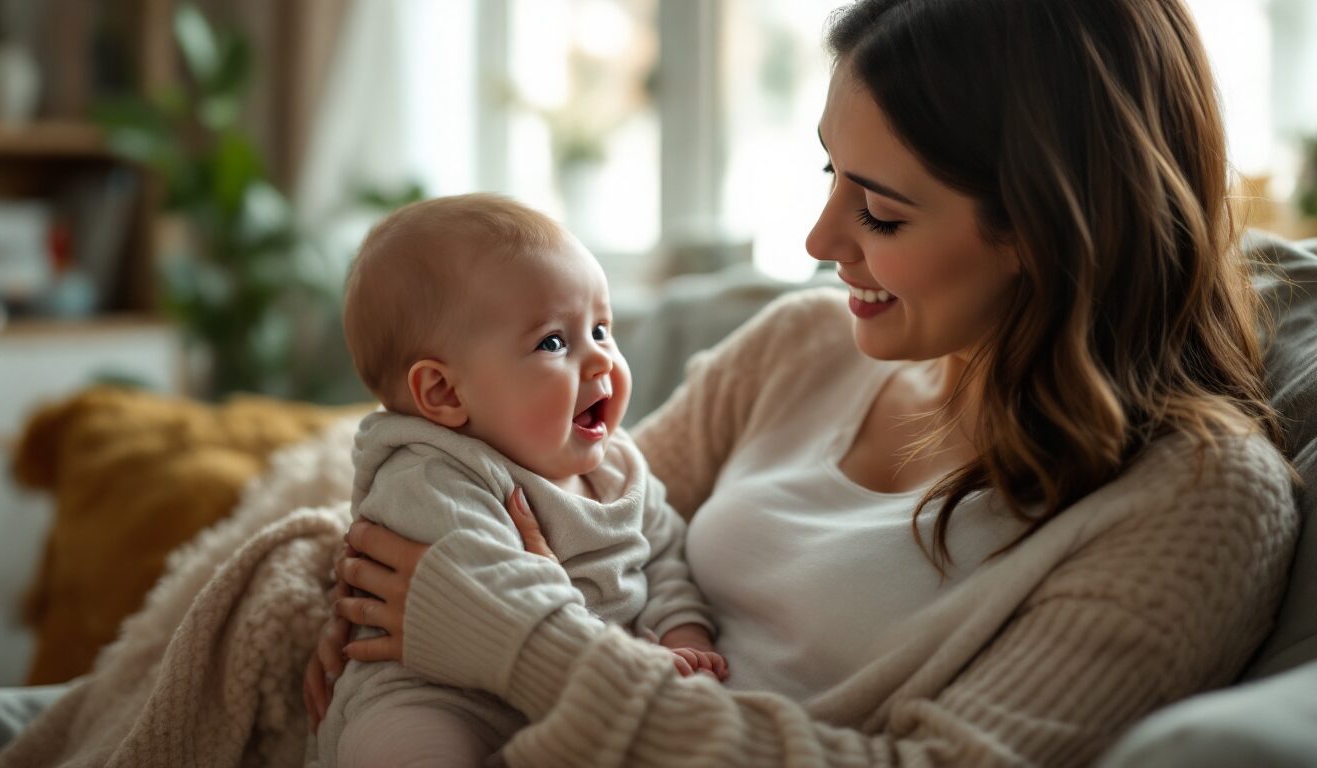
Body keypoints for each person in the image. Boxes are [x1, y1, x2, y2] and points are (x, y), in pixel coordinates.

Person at [304, 0, 1300, 764]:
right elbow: (559, 505)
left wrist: (516, 643)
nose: (820, 242)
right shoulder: (801, 349)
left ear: (1046, 228)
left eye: (880, 212)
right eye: (830, 175)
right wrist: (362, 605)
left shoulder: (1200, 502)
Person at [314, 194, 724, 768]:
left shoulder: (621, 468)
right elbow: (487, 593)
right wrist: (621, 660)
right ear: (444, 394)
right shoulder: (432, 475)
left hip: (581, 692)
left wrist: (685, 635)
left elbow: (665, 559)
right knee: (408, 745)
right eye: (554, 342)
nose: (600, 360)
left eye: (602, 330)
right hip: (441, 696)